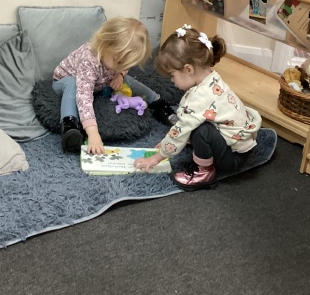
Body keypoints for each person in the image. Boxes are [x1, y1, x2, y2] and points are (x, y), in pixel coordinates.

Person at [133, 24, 262, 191]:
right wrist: (168, 143)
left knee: (202, 131)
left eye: (172, 75)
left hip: (233, 158)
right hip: (240, 146)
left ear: (188, 69)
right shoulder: (212, 78)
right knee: (199, 124)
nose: (172, 80)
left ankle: (204, 172)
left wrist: (157, 157)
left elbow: (181, 129)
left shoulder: (199, 98)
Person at [53, 17, 176, 154]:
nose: (122, 67)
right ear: (105, 44)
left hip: (99, 82)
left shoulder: (116, 62)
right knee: (72, 84)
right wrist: (93, 133)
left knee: (127, 80)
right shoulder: (88, 60)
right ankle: (70, 126)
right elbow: (84, 97)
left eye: (126, 65)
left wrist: (121, 75)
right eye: (119, 63)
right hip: (65, 82)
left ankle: (158, 103)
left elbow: (123, 66)